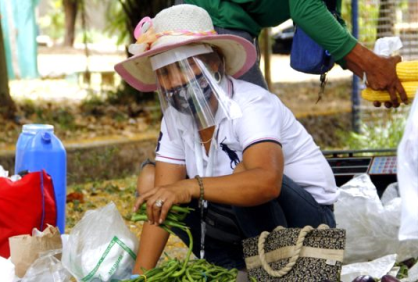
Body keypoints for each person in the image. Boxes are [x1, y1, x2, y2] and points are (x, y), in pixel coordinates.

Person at [114, 4, 338, 280]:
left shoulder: (251, 102)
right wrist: (140, 276)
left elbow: (266, 182)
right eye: (164, 73)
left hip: (309, 230)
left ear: (215, 63)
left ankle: (289, 275)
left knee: (245, 174)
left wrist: (189, 187)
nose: (173, 83)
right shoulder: (174, 118)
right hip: (246, 228)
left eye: (183, 67)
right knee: (154, 184)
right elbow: (164, 197)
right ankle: (237, 270)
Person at [175, 0, 408, 108]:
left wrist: (371, 76)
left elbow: (323, 14)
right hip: (210, 20)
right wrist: (372, 66)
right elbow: (306, 9)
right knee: (258, 121)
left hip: (233, 23)